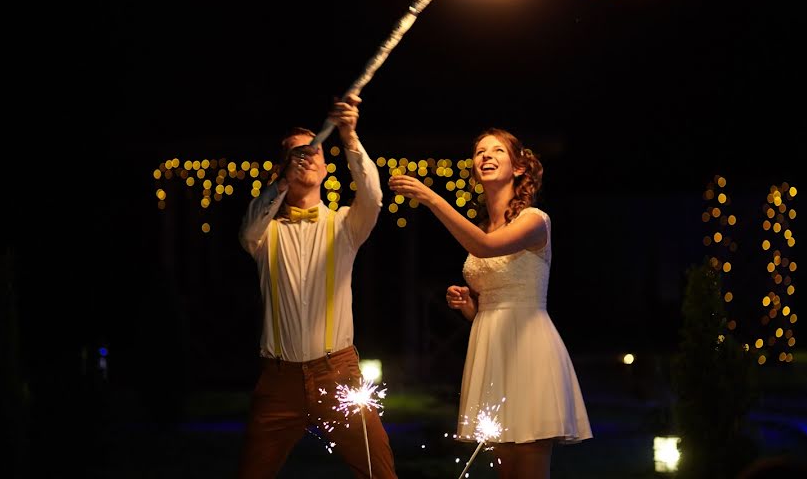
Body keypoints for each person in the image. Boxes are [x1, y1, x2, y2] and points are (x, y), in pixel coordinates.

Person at [388, 128, 591, 479]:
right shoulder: (485, 225)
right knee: (504, 468)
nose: (486, 155)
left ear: (518, 168)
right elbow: (490, 283)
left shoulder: (534, 220)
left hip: (527, 348)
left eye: (497, 150)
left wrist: (433, 199)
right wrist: (471, 308)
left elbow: (483, 247)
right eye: (480, 150)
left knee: (528, 462)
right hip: (490, 347)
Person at [236, 93, 397, 479]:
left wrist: (349, 135)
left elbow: (373, 197)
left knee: (380, 472)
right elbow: (246, 228)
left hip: (337, 373)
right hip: (279, 382)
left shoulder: (344, 225)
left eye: (313, 153)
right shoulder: (263, 233)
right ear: (283, 167)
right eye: (296, 154)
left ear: (326, 167)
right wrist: (281, 181)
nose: (306, 158)